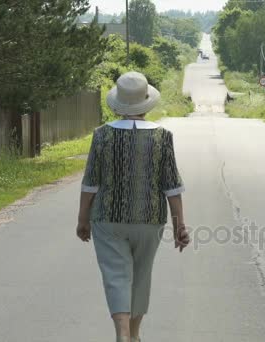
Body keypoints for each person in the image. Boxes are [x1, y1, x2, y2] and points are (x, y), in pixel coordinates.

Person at [75, 71, 190, 342]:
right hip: (149, 220)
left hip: (107, 219)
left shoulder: (102, 135)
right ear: (146, 102)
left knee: (116, 277)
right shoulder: (162, 137)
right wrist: (179, 226)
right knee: (140, 277)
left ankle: (124, 333)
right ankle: (135, 334)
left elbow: (91, 182)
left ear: (118, 104)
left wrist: (82, 220)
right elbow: (171, 185)